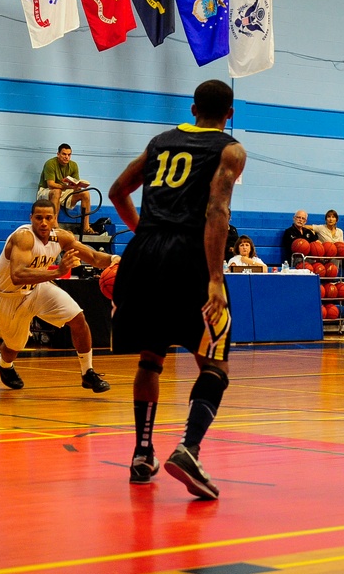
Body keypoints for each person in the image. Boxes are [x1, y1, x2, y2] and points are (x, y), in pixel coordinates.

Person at [108, 78, 246, 500]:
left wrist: (144, 232)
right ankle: (189, 448)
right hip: (188, 255)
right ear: (230, 113)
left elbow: (116, 191)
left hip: (144, 253)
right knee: (215, 364)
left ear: (191, 109)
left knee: (150, 359)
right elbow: (217, 209)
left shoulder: (159, 143)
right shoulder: (230, 149)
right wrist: (215, 278)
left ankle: (142, 453)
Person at [0, 199, 116, 393]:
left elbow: (95, 258)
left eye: (49, 218)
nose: (44, 223)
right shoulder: (24, 237)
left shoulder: (62, 237)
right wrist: (57, 272)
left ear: (55, 219)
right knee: (15, 346)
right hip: (9, 296)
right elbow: (17, 275)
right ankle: (3, 364)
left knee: (78, 318)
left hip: (38, 288)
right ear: (31, 218)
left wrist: (116, 260)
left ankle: (87, 372)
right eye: (39, 218)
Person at [37, 143, 95, 235]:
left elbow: (74, 183)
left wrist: (77, 187)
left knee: (85, 193)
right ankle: (54, 226)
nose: (66, 157)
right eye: (64, 154)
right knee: (56, 191)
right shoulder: (50, 163)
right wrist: (68, 187)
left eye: (69, 155)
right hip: (46, 191)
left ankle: (86, 227)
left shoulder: (73, 165)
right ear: (58, 154)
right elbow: (51, 185)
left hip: (63, 192)